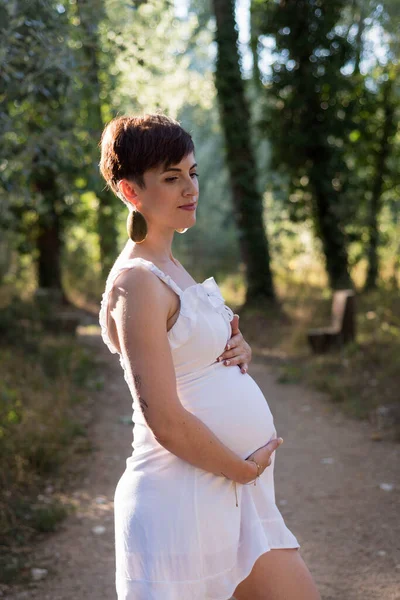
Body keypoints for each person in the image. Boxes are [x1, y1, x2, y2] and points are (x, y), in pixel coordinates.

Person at [98, 113, 321, 600]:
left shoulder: (169, 264)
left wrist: (238, 351)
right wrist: (241, 469)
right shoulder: (136, 281)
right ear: (130, 191)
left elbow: (190, 363)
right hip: (182, 499)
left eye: (192, 173)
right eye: (171, 177)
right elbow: (164, 419)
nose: (189, 188)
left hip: (234, 492)